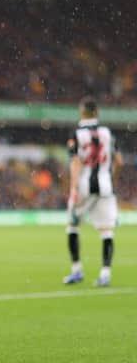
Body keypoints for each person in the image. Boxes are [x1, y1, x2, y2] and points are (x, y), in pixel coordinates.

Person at [63, 96, 122, 287]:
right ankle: (105, 274)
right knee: (106, 232)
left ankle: (77, 270)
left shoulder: (77, 134)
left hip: (83, 187)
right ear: (97, 112)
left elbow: (75, 162)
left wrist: (72, 188)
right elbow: (119, 161)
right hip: (105, 186)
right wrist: (112, 179)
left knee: (72, 226)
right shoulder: (108, 133)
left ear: (82, 112)